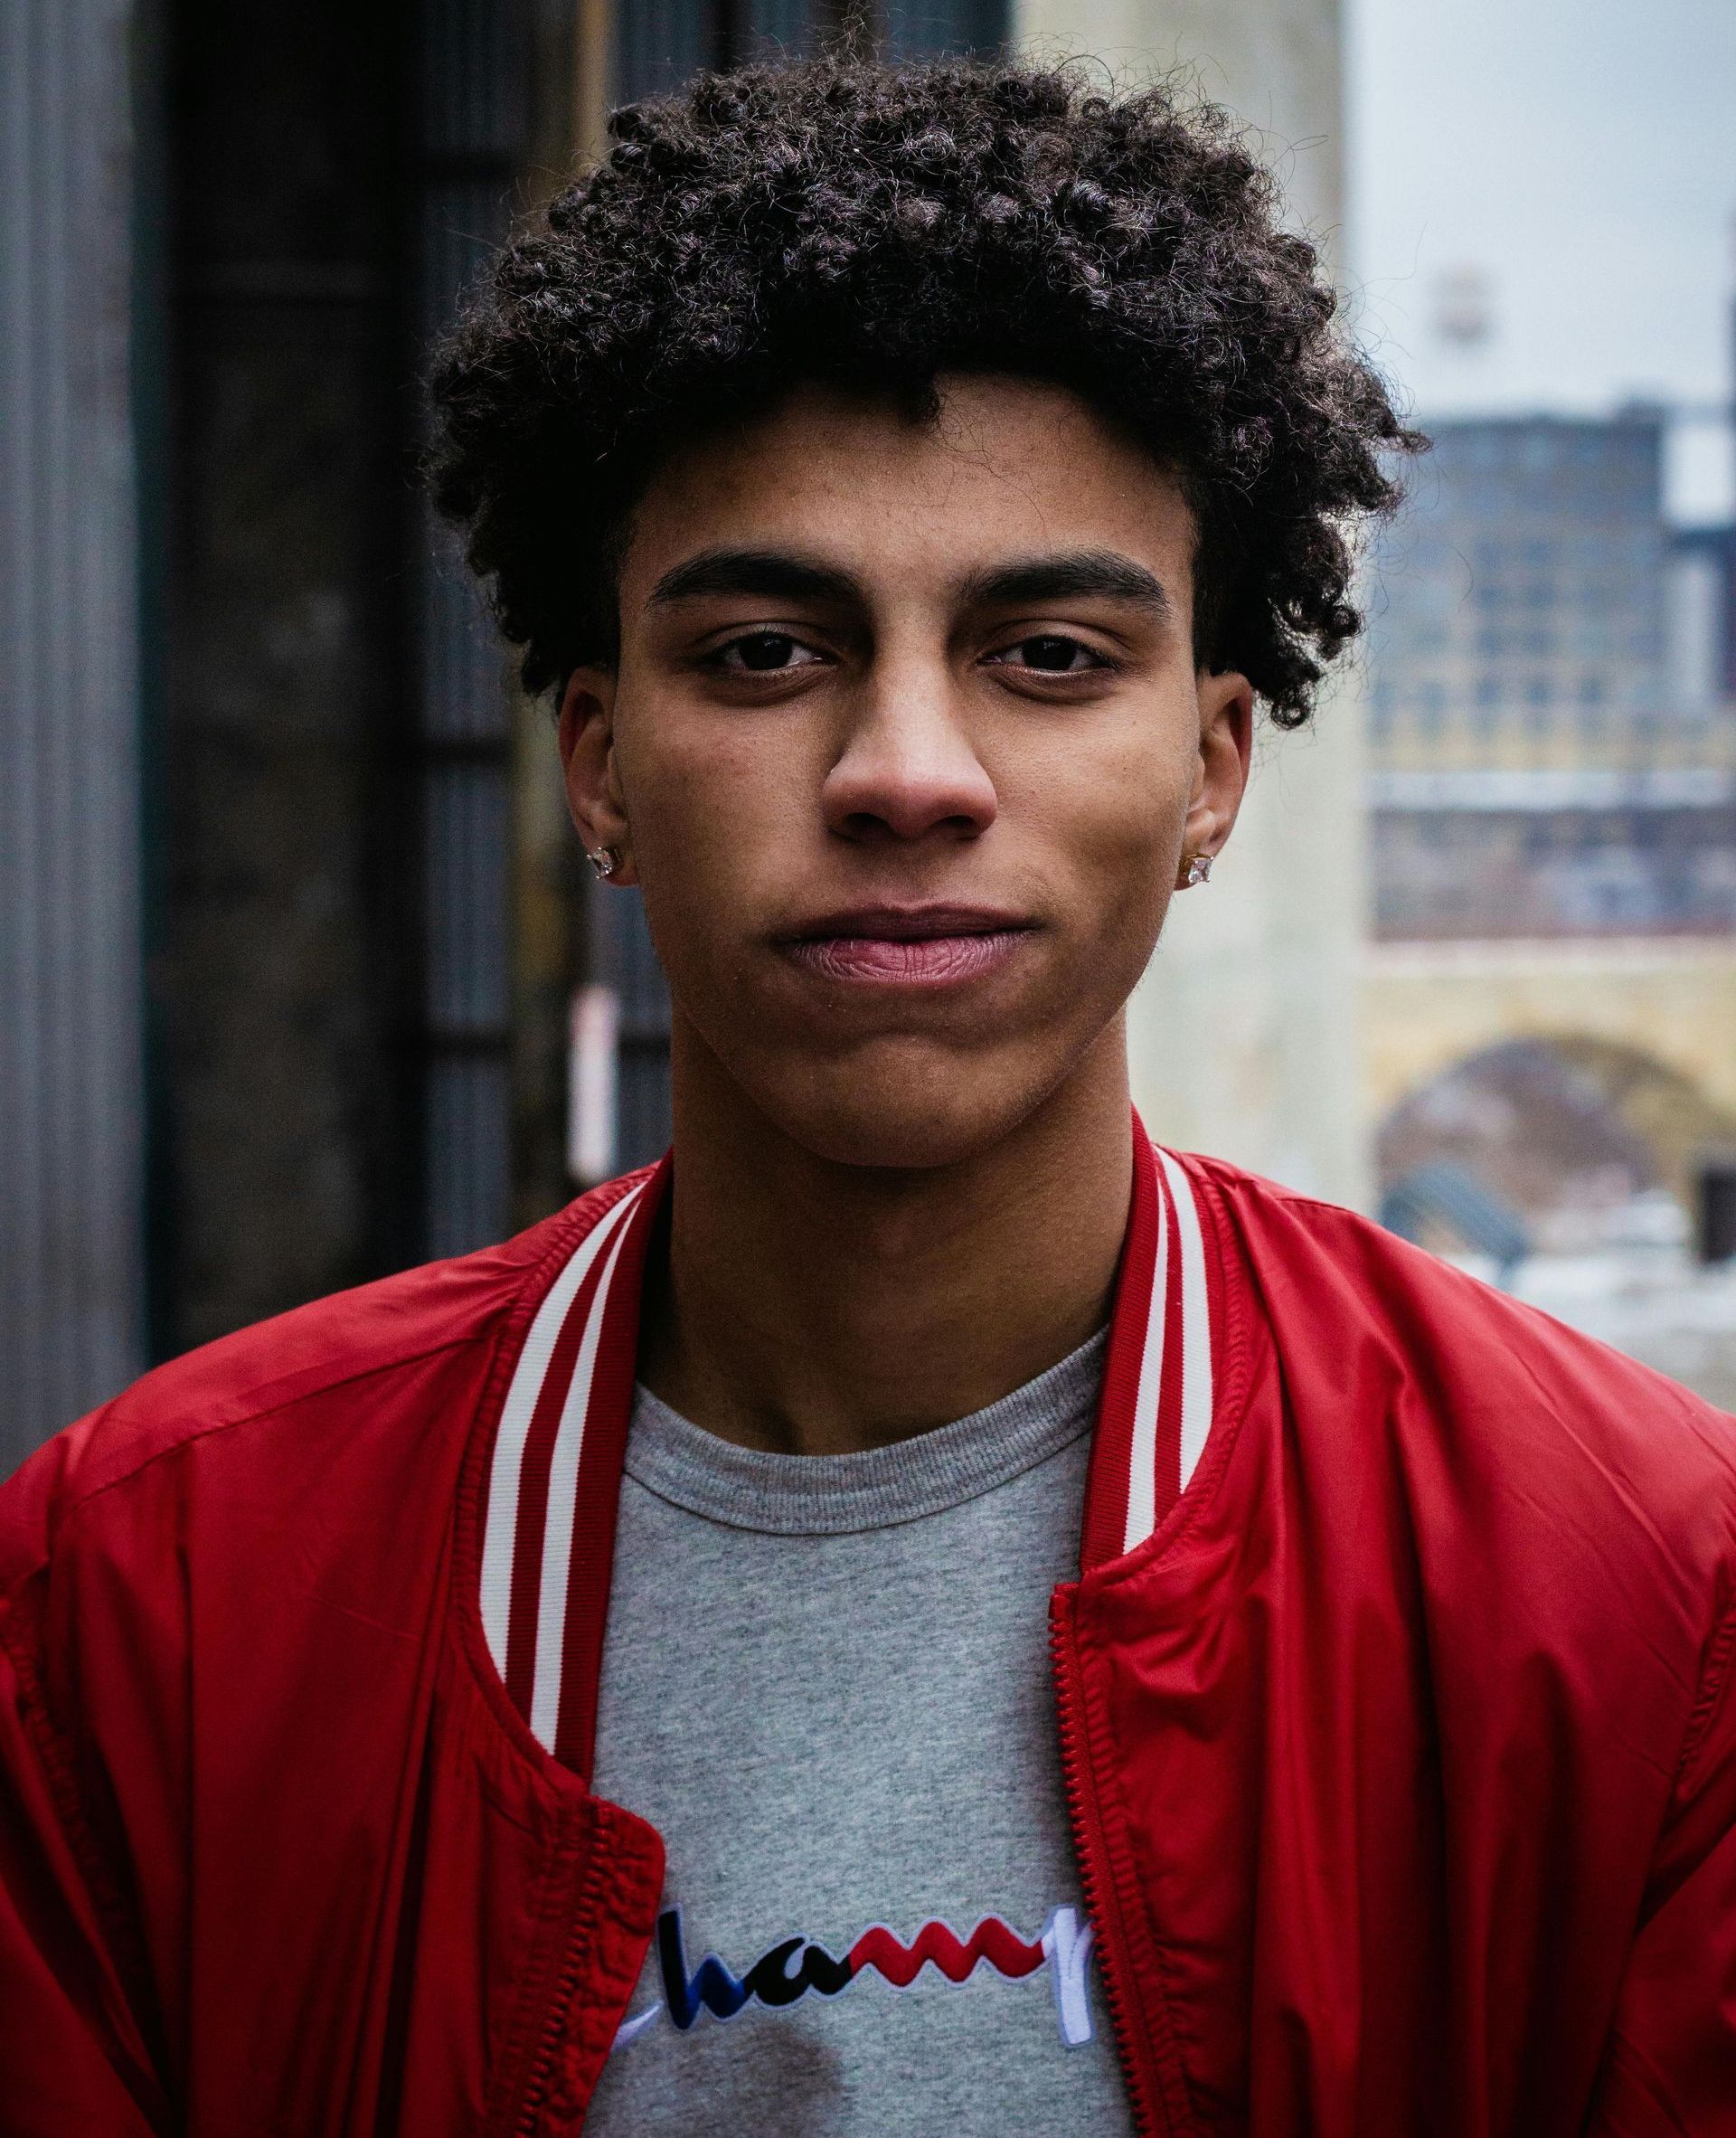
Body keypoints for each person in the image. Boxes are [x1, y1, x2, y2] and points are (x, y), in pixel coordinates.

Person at [2, 55, 1731, 2138]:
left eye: (1050, 655)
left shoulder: (1628, 1593)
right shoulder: (145, 1597)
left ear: (1212, 769)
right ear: (599, 764)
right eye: (760, 653)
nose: (907, 768)